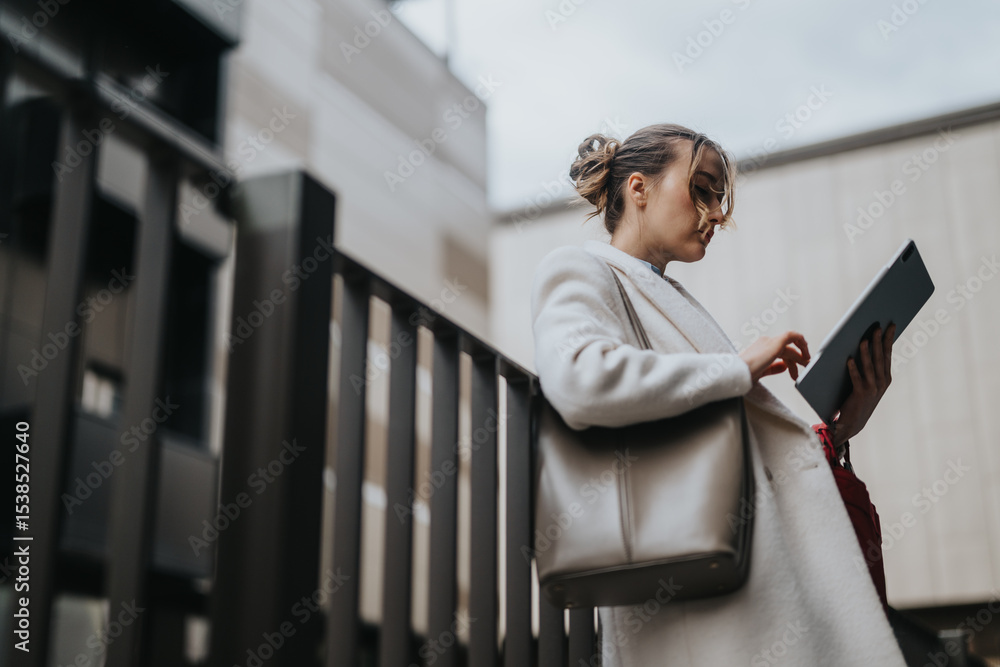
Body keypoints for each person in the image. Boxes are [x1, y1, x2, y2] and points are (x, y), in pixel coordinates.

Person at [529, 123, 905, 666]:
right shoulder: (579, 268)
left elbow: (716, 441)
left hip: (741, 589)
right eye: (701, 190)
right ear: (638, 188)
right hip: (692, 599)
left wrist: (841, 429)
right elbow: (580, 379)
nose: (716, 214)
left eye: (719, 197)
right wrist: (737, 366)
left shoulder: (667, 296)